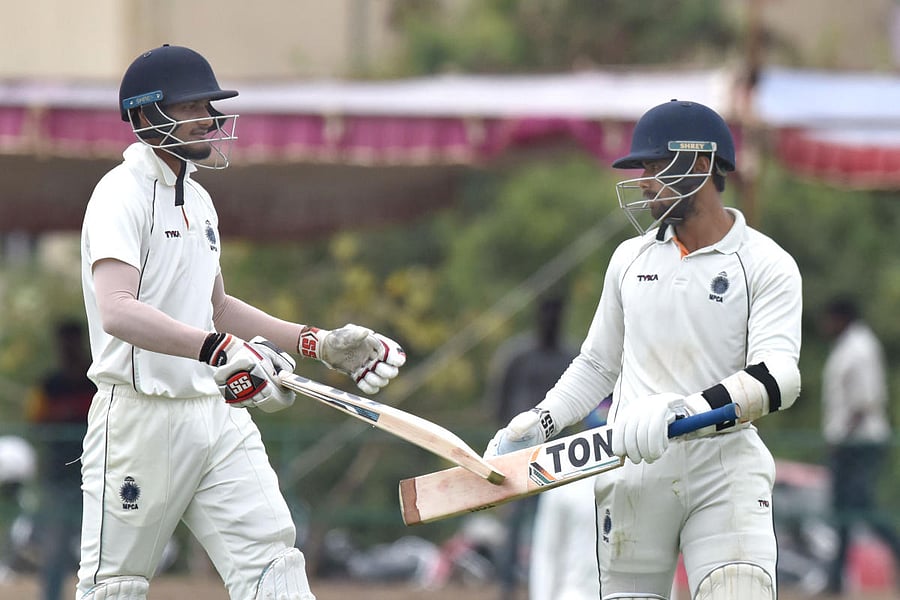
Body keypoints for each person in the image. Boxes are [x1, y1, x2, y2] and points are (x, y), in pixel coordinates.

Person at [77, 44, 406, 600]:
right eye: (190, 106)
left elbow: (220, 309)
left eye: (208, 104)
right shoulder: (119, 194)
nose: (208, 117)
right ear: (143, 116)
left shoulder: (200, 201)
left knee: (274, 563)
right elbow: (118, 310)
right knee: (116, 588)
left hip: (213, 414)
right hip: (138, 420)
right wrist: (215, 349)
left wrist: (318, 343)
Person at [485, 99, 803, 600]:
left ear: (700, 164)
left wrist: (686, 411)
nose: (644, 181)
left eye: (655, 166)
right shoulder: (629, 259)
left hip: (724, 468)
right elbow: (595, 364)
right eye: (642, 168)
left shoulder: (766, 263)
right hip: (633, 468)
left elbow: (778, 376)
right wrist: (539, 422)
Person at [485, 295, 577, 600]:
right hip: (519, 455)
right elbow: (499, 400)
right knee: (514, 521)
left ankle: (548, 587)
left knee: (554, 524)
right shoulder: (518, 356)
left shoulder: (570, 358)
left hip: (558, 455)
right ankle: (507, 586)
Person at [820, 296, 900, 594]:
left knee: (862, 509)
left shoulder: (860, 347)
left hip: (859, 442)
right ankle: (835, 579)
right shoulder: (845, 346)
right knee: (842, 511)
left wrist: (841, 438)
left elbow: (864, 402)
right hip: (849, 442)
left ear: (842, 318)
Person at [25, 320, 96, 600]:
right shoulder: (49, 384)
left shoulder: (98, 378)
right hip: (58, 477)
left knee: (102, 545)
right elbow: (35, 422)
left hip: (99, 472)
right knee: (54, 547)